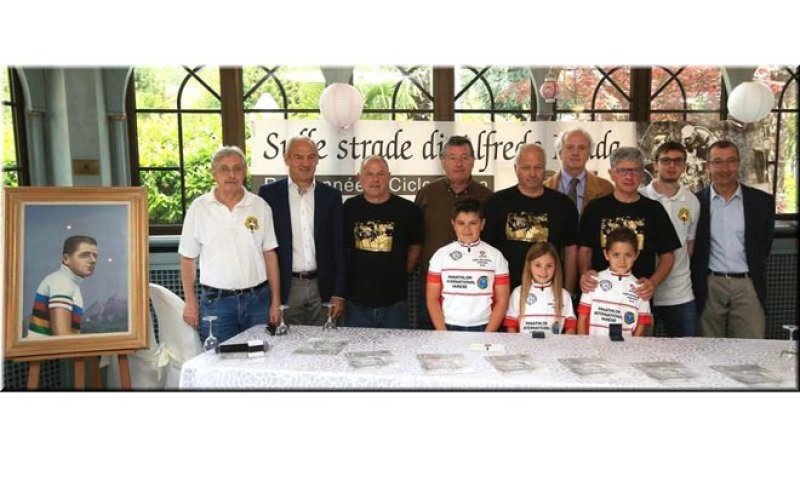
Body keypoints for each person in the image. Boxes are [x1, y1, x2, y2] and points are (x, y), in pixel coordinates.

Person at [179, 146, 281, 343]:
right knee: (218, 359)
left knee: (260, 357)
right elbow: (187, 258)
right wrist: (190, 302)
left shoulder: (260, 206)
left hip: (258, 302)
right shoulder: (199, 208)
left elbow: (270, 255)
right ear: (214, 173)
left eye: (237, 169)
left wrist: (275, 301)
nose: (232, 175)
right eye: (224, 169)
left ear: (245, 172)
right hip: (217, 305)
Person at [690, 140, 775, 339]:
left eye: (730, 161)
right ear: (708, 165)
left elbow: (764, 244)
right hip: (709, 284)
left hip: (747, 283)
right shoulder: (696, 202)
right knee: (707, 346)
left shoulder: (761, 202)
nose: (724, 168)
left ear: (738, 164)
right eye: (718, 162)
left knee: (751, 346)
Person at [259, 136, 346, 326]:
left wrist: (338, 293)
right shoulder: (269, 195)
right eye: (299, 157)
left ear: (317, 160)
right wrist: (273, 295)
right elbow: (264, 246)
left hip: (322, 287)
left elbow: (339, 247)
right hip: (286, 286)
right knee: (286, 341)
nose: (306, 163)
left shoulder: (331, 196)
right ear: (287, 159)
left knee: (325, 342)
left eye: (311, 157)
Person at [578, 146, 681, 305]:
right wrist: (585, 274)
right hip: (599, 295)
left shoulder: (654, 210)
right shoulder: (595, 208)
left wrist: (653, 283)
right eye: (622, 171)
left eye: (635, 171)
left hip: (638, 297)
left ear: (642, 174)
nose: (629, 176)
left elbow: (668, 256)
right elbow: (584, 249)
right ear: (611, 173)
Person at [414, 135, 493, 329]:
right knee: (431, 345)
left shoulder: (488, 198)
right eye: (452, 157)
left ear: (473, 161)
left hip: (475, 296)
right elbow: (415, 241)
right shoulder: (427, 194)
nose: (459, 163)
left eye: (464, 157)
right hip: (433, 290)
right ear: (443, 162)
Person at [484, 143, 579, 292]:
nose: (532, 173)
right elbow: (485, 250)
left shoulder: (563, 205)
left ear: (545, 169)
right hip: (505, 292)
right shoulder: (496, 202)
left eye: (538, 167)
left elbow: (571, 251)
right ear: (516, 169)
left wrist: (568, 292)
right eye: (526, 167)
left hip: (549, 294)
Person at [343, 155, 423, 328]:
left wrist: (400, 273)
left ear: (389, 176)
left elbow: (415, 247)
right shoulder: (349, 208)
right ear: (359, 177)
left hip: (395, 304)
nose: (375, 180)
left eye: (380, 174)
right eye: (369, 174)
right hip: (356, 304)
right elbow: (342, 250)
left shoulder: (408, 210)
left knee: (396, 346)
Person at [639, 141, 701, 337]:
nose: (672, 166)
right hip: (642, 290)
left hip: (679, 292)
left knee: (687, 349)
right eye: (666, 160)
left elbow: (689, 245)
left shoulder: (692, 201)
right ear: (655, 164)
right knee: (640, 350)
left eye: (677, 161)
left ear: (684, 166)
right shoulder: (639, 197)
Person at [426, 199, 510, 332]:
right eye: (461, 223)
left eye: (473, 223)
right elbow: (432, 299)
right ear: (453, 224)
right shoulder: (440, 255)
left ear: (482, 224)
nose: (466, 229)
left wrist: (488, 335)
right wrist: (442, 333)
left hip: (484, 326)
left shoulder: (496, 256)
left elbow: (502, 300)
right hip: (448, 326)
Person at [577, 227, 652, 337]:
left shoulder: (641, 288)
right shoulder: (593, 280)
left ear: (636, 255)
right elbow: (582, 318)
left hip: (626, 347)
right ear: (606, 254)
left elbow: (641, 327)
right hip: (593, 346)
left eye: (628, 255)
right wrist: (584, 344)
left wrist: (633, 348)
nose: (622, 261)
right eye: (616, 254)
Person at [28, 235, 98, 337]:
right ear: (66, 259)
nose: (93, 260)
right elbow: (62, 336)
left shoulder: (67, 282)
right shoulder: (62, 282)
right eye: (85, 255)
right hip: (47, 347)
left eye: (95, 256)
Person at [504, 241, 577, 335]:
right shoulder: (518, 293)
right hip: (524, 344)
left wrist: (562, 343)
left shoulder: (564, 295)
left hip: (554, 344)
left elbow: (571, 326)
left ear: (556, 266)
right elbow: (511, 325)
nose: (543, 271)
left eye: (549, 266)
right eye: (538, 265)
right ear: (529, 266)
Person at [544, 127, 614, 218]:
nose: (575, 153)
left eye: (581, 148)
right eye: (570, 147)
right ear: (560, 153)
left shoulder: (606, 188)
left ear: (589, 154)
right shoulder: (542, 189)